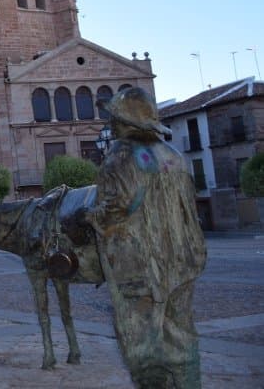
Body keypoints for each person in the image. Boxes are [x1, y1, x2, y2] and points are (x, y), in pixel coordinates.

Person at [79, 87, 206, 388]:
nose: (109, 122)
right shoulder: (173, 155)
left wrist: (89, 216)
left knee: (141, 344)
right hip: (183, 260)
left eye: (113, 117)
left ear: (124, 122)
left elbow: (116, 208)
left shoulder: (121, 157)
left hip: (138, 266)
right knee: (181, 334)